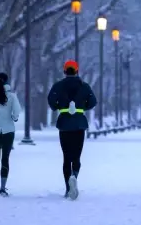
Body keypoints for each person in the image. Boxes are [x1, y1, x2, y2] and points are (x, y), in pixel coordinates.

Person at [47, 60, 97, 200]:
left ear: (64, 71)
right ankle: (74, 175)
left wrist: (58, 106)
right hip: (79, 123)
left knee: (66, 157)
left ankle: (68, 188)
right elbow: (93, 102)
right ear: (77, 71)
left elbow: (51, 101)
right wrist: (82, 107)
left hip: (64, 124)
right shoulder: (84, 86)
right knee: (77, 155)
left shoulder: (58, 85)